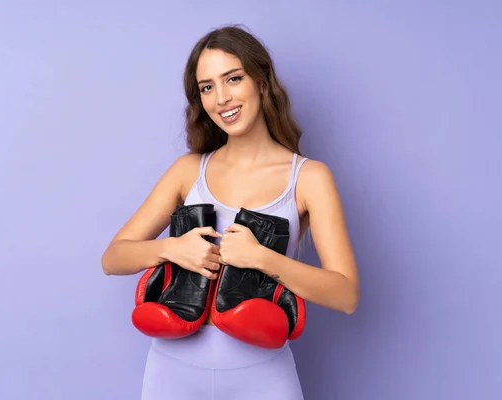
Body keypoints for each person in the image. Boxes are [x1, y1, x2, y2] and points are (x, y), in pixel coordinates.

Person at [101, 25, 359, 400]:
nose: (221, 98)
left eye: (233, 79)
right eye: (207, 87)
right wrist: (171, 249)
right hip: (172, 375)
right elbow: (113, 258)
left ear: (261, 81)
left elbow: (346, 295)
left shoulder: (308, 178)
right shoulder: (188, 170)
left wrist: (263, 258)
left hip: (263, 378)